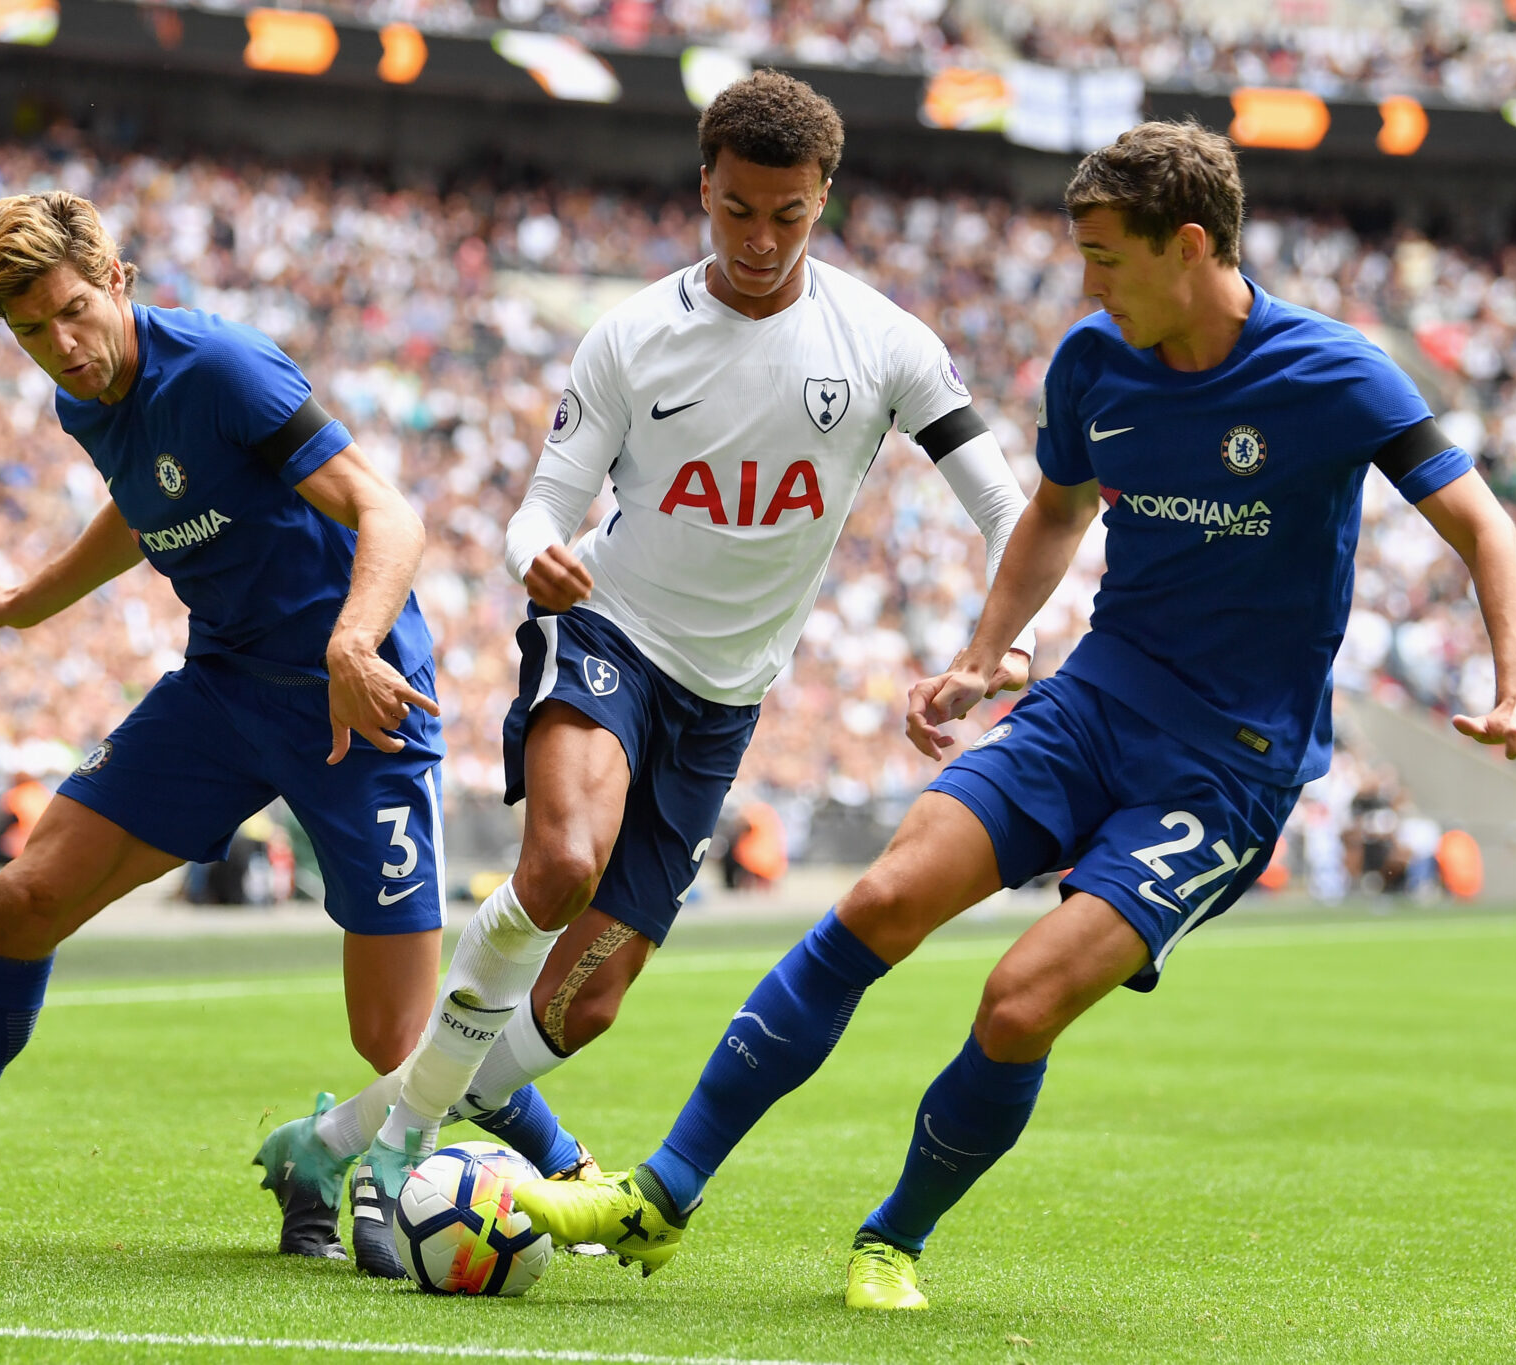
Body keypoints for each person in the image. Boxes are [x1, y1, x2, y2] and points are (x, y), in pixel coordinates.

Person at [508, 120, 1516, 1308]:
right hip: (1092, 704)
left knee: (1017, 1002)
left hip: (1225, 769)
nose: (1084, 282)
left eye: (1104, 258)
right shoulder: (1092, 361)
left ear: (1187, 246)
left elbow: (1485, 529)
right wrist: (980, 656)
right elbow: (1056, 515)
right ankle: (662, 1190)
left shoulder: (1335, 374)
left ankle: (891, 1238)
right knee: (879, 900)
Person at [255, 69, 1039, 1269]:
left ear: (823, 197)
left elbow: (1007, 506)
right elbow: (540, 508)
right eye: (737, 211)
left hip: (727, 695)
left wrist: (1008, 644)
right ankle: (403, 1147)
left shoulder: (885, 344)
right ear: (703, 190)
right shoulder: (631, 334)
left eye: (788, 214)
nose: (762, 241)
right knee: (561, 863)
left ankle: (334, 1136)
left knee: (586, 1004)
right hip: (609, 632)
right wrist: (540, 562)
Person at [0, 192, 585, 1265]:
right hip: (221, 693)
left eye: (72, 312)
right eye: (29, 332)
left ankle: (563, 1171)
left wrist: (351, 647)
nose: (60, 347)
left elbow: (390, 512)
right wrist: (29, 599)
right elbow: (143, 499)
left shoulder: (220, 368)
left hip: (358, 704)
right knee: (22, 899)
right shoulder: (86, 402)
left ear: (115, 278)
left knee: (391, 1039)